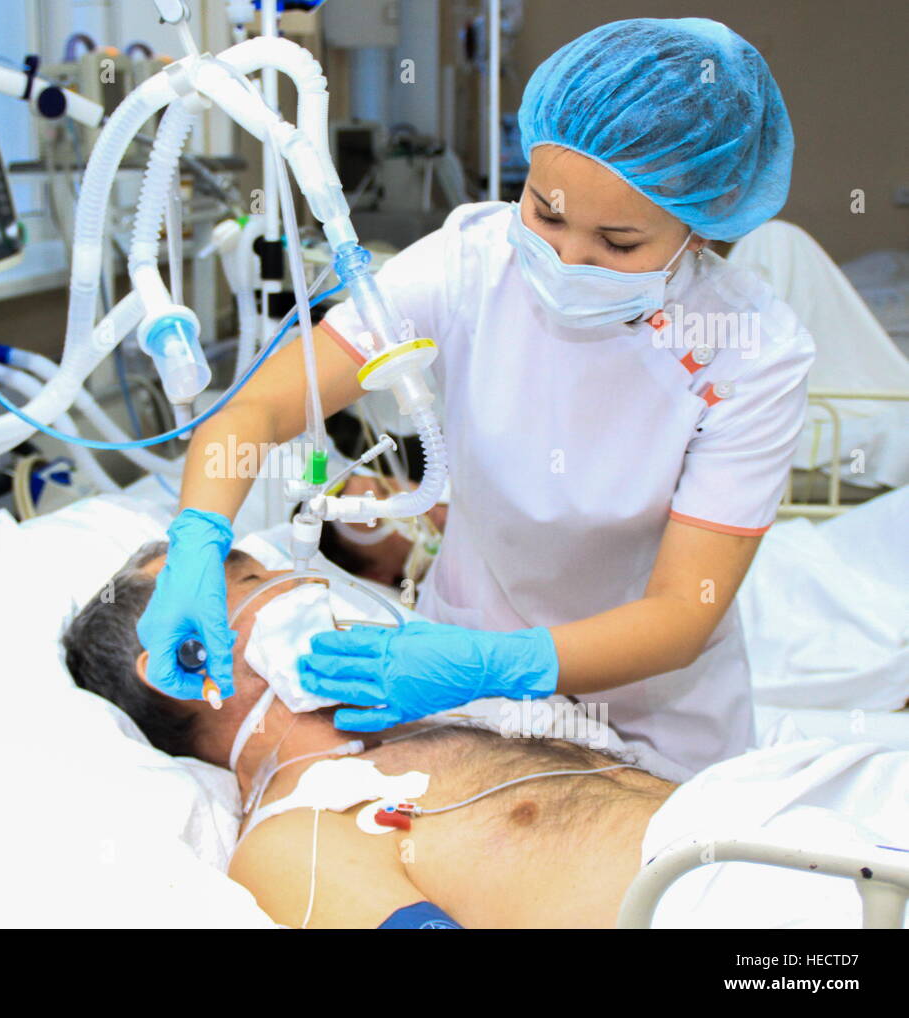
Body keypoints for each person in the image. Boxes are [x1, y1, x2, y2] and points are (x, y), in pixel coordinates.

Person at [137, 18, 815, 774]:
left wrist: (495, 664)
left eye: (618, 244)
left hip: (650, 710)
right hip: (461, 677)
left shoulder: (750, 351)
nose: (565, 258)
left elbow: (683, 612)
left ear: (700, 231)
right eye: (546, 213)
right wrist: (197, 537)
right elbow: (258, 411)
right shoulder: (470, 263)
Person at [65, 544, 909, 929]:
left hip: (800, 832)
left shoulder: (436, 721)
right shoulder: (291, 840)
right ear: (180, 662)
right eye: (250, 577)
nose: (296, 579)